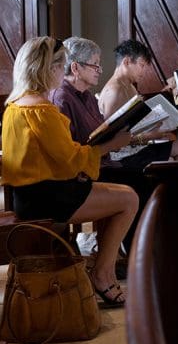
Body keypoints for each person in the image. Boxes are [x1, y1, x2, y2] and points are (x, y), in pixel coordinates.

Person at [2, 37, 137, 306]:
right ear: (47, 68)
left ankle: (102, 270)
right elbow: (72, 160)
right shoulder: (41, 110)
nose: (62, 72)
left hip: (26, 194)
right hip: (48, 197)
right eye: (60, 65)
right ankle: (102, 274)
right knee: (129, 199)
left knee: (122, 193)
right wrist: (112, 144)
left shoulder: (14, 105)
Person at [51, 37, 159, 256]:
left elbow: (100, 129)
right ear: (75, 67)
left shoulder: (88, 96)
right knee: (140, 185)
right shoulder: (62, 97)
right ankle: (130, 253)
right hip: (82, 172)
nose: (100, 70)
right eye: (95, 64)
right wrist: (112, 142)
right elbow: (68, 147)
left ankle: (136, 249)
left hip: (103, 162)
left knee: (149, 178)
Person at [98, 39, 178, 163]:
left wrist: (158, 128)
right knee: (177, 153)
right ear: (127, 61)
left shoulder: (130, 87)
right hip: (121, 156)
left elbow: (135, 126)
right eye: (141, 65)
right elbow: (112, 140)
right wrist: (151, 136)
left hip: (135, 148)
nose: (144, 71)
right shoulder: (114, 92)